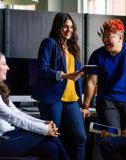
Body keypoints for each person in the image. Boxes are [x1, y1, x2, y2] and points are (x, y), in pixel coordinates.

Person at [0, 51, 70, 160]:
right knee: (48, 134)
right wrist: (45, 129)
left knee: (50, 148)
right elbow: (12, 117)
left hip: (8, 135)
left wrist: (43, 123)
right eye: (4, 64)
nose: (8, 68)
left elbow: (17, 112)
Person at [32, 12, 86, 160]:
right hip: (52, 98)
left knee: (81, 137)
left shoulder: (74, 48)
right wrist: (63, 75)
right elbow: (41, 69)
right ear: (58, 27)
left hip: (71, 98)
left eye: (71, 27)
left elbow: (74, 75)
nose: (69, 30)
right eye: (65, 27)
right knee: (53, 136)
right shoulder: (49, 43)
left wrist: (80, 74)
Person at [82, 18, 126, 130]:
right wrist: (85, 106)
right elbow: (91, 82)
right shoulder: (97, 55)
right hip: (107, 101)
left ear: (120, 38)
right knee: (114, 133)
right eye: (104, 36)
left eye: (109, 36)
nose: (105, 39)